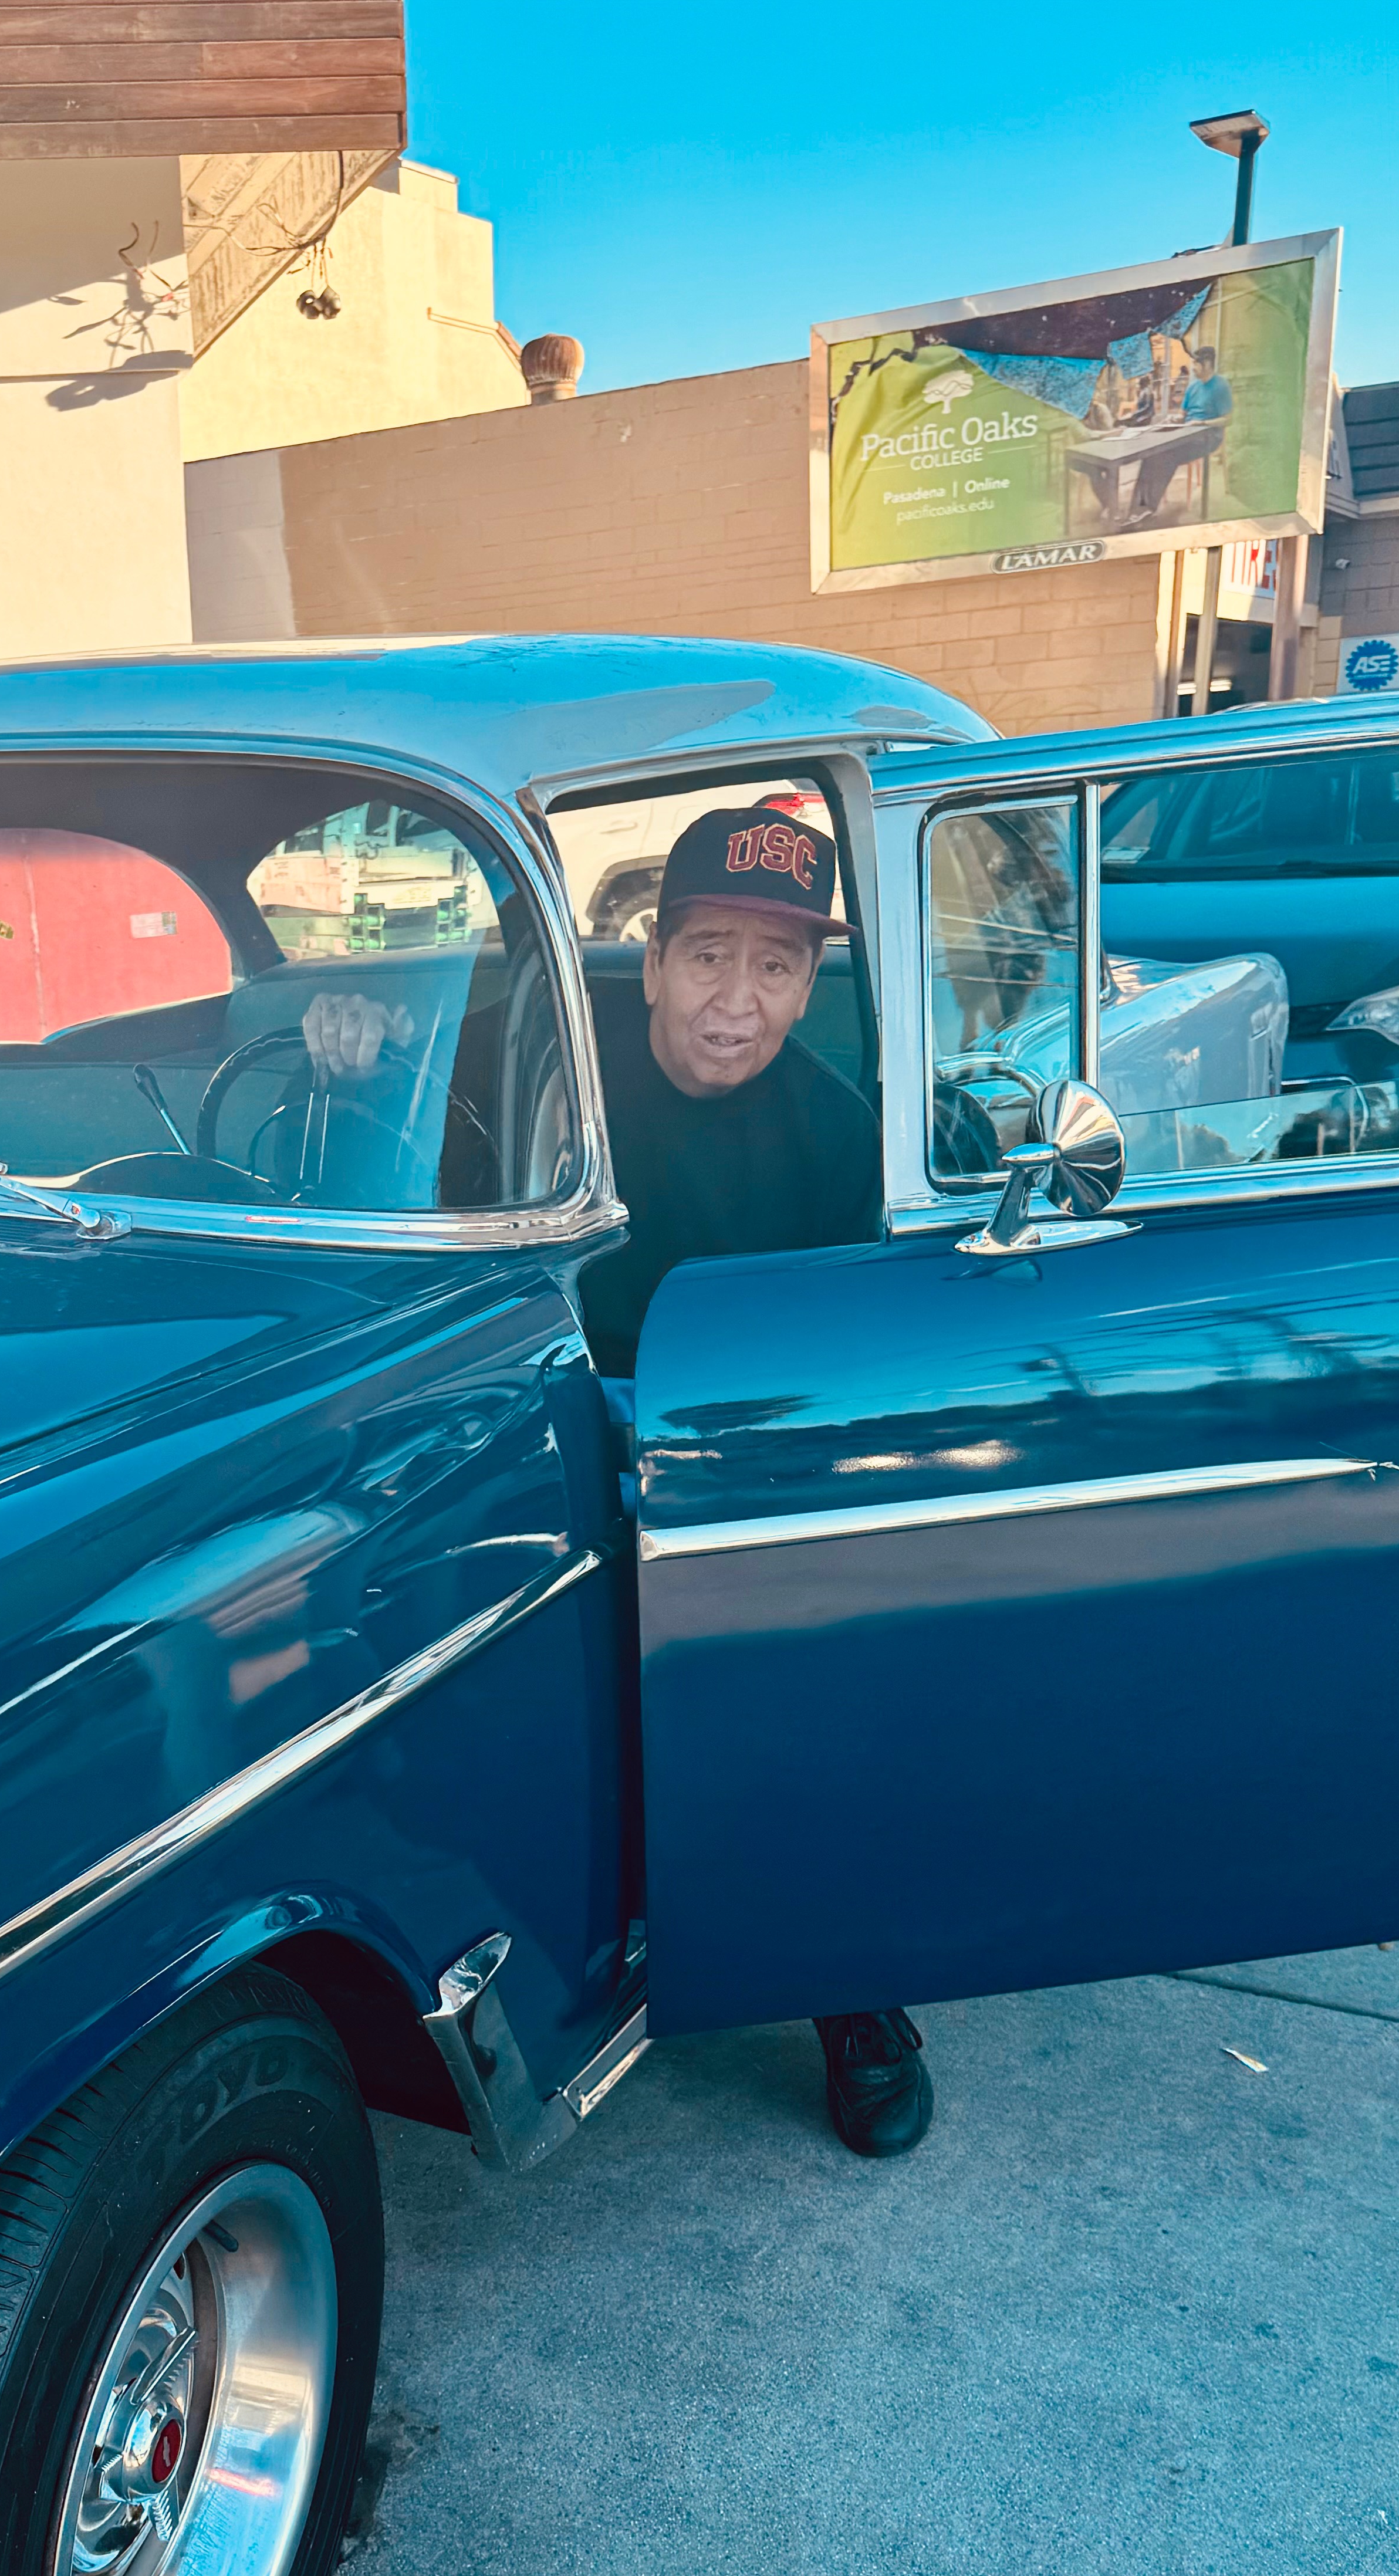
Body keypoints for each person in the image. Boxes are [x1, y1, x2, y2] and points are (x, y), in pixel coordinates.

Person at [300, 799, 934, 2159]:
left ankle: (853, 1992)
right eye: (708, 955)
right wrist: (354, 1062)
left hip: (731, 1461)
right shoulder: (538, 1059)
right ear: (649, 964)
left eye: (776, 967)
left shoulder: (842, 1136)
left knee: (818, 1682)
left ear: (807, 988)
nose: (737, 1001)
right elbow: (411, 1131)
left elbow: (847, 1360)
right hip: (541, 1440)